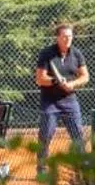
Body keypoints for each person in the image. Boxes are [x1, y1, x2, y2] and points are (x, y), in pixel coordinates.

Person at [33, 20, 89, 163]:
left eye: (70, 36)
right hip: (50, 102)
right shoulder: (47, 54)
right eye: (64, 36)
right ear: (57, 38)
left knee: (78, 135)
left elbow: (85, 76)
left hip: (70, 101)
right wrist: (56, 81)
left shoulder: (76, 54)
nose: (68, 39)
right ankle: (42, 167)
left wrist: (72, 84)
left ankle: (83, 168)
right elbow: (40, 79)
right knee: (46, 134)